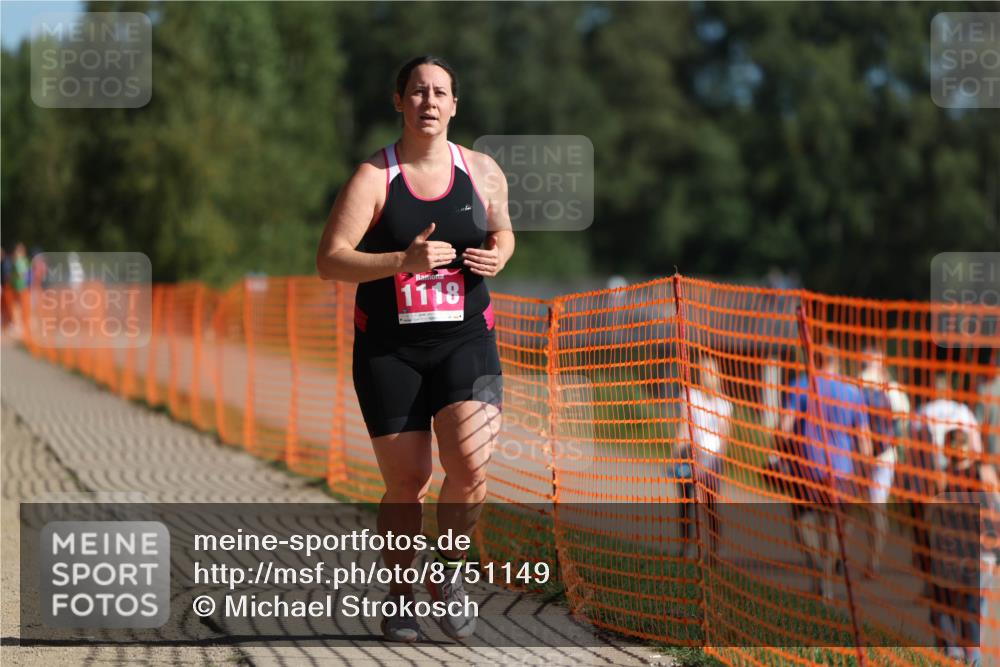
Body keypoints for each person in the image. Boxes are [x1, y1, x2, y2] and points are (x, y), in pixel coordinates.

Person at [316, 56, 514, 643]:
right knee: (408, 482)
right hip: (389, 349)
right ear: (398, 101)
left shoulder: (482, 170)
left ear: (455, 105)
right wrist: (401, 261)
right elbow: (330, 260)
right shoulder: (374, 178)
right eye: (418, 92)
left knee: (471, 466)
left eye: (440, 93)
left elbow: (503, 231)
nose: (429, 101)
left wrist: (500, 253)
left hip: (465, 338)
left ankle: (449, 576)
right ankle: (402, 592)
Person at [778, 349, 873, 601]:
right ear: (837, 362)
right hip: (841, 472)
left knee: (802, 523)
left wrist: (779, 454)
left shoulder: (799, 385)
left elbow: (783, 431)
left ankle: (818, 568)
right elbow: (865, 444)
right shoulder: (853, 393)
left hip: (806, 468)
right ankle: (827, 580)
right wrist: (865, 473)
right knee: (833, 527)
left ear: (812, 360)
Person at [929, 428, 998, 666]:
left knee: (948, 607)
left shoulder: (946, 476)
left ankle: (956, 656)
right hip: (977, 551)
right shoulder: (984, 472)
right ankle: (969, 658)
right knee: (973, 609)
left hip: (963, 551)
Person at [858, 346, 911, 575]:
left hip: (860, 454)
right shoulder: (894, 390)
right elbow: (903, 424)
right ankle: (874, 560)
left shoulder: (858, 382)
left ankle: (842, 553)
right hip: (885, 455)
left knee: (854, 507)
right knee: (876, 508)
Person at [674, 356, 732, 557]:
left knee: (708, 505)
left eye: (711, 372)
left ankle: (715, 546)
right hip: (690, 456)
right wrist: (676, 452)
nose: (707, 376)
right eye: (704, 371)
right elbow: (683, 425)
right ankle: (687, 545)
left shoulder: (724, 405)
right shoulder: (690, 396)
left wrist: (714, 462)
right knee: (685, 502)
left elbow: (724, 437)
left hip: (712, 459)